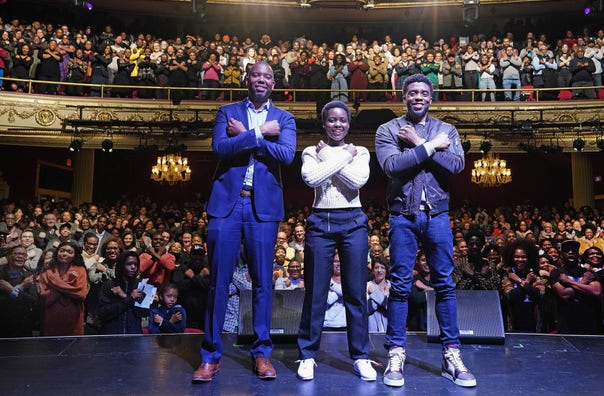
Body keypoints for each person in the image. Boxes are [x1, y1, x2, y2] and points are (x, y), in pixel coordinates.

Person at [193, 61, 296, 383]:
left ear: (273, 83)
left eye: (267, 76)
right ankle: (210, 357)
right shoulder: (227, 111)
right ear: (246, 79)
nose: (261, 80)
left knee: (263, 283)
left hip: (262, 207)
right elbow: (220, 147)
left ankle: (262, 353)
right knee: (218, 283)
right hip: (227, 204)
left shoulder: (285, 118)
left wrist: (250, 137)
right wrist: (260, 134)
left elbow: (287, 156)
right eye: (256, 75)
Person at [375, 73, 475, 388]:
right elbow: (392, 167)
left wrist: (419, 145)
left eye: (423, 92)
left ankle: (451, 355)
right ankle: (395, 352)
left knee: (445, 284)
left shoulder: (448, 129)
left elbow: (456, 166)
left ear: (431, 98)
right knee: (401, 286)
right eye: (412, 92)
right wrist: (431, 147)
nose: (418, 96)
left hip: (438, 216)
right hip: (402, 216)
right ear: (403, 97)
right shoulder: (387, 130)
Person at [295, 99, 374, 381]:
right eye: (331, 120)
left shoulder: (361, 151)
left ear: (348, 124)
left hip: (353, 220)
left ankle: (361, 356)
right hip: (320, 221)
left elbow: (357, 182)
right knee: (315, 292)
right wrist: (341, 157)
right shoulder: (309, 151)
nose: (337, 124)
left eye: (342, 120)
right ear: (324, 123)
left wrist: (328, 157)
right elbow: (311, 179)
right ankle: (307, 355)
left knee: (355, 293)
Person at [37, 241, 88, 336]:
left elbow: (81, 294)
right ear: (57, 253)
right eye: (62, 251)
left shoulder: (80, 270)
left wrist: (56, 287)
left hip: (73, 318)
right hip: (51, 317)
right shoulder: (48, 271)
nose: (65, 254)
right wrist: (69, 283)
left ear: (74, 255)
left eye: (69, 252)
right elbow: (44, 297)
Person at [96, 250, 147, 334]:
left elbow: (143, 312)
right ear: (121, 265)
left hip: (133, 335)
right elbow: (102, 313)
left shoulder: (141, 285)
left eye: (136, 264)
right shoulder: (109, 285)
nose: (133, 267)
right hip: (111, 336)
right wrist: (129, 298)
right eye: (129, 264)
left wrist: (125, 296)